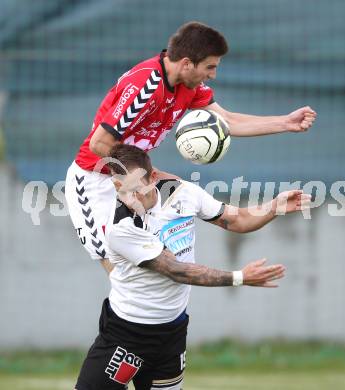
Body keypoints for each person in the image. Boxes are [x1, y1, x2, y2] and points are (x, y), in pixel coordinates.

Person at [65, 21, 316, 274]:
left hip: (138, 178)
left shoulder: (189, 86)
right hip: (93, 183)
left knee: (179, 231)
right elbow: (100, 144)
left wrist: (285, 122)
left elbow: (227, 121)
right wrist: (144, 180)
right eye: (210, 67)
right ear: (186, 63)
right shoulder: (145, 87)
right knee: (122, 277)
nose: (213, 75)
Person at [74, 144, 311, 390]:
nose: (132, 199)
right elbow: (176, 270)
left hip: (172, 334)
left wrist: (274, 207)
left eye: (137, 189)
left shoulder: (184, 194)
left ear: (153, 177)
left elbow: (237, 219)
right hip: (126, 334)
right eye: (123, 191)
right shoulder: (121, 228)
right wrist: (240, 277)